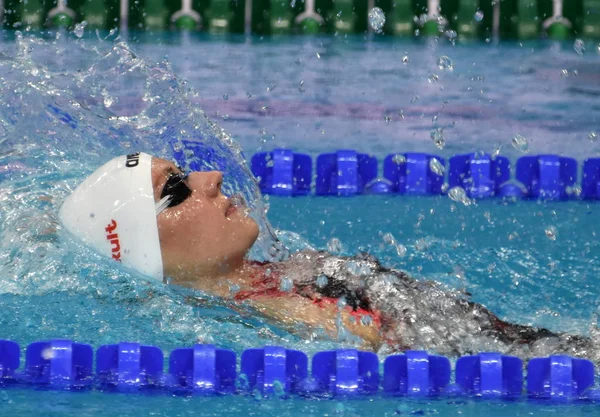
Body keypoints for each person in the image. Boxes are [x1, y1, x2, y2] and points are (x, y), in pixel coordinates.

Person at [59, 152, 596, 361]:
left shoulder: (265, 280)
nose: (210, 177)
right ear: (142, 250)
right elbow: (380, 343)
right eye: (176, 191)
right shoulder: (253, 309)